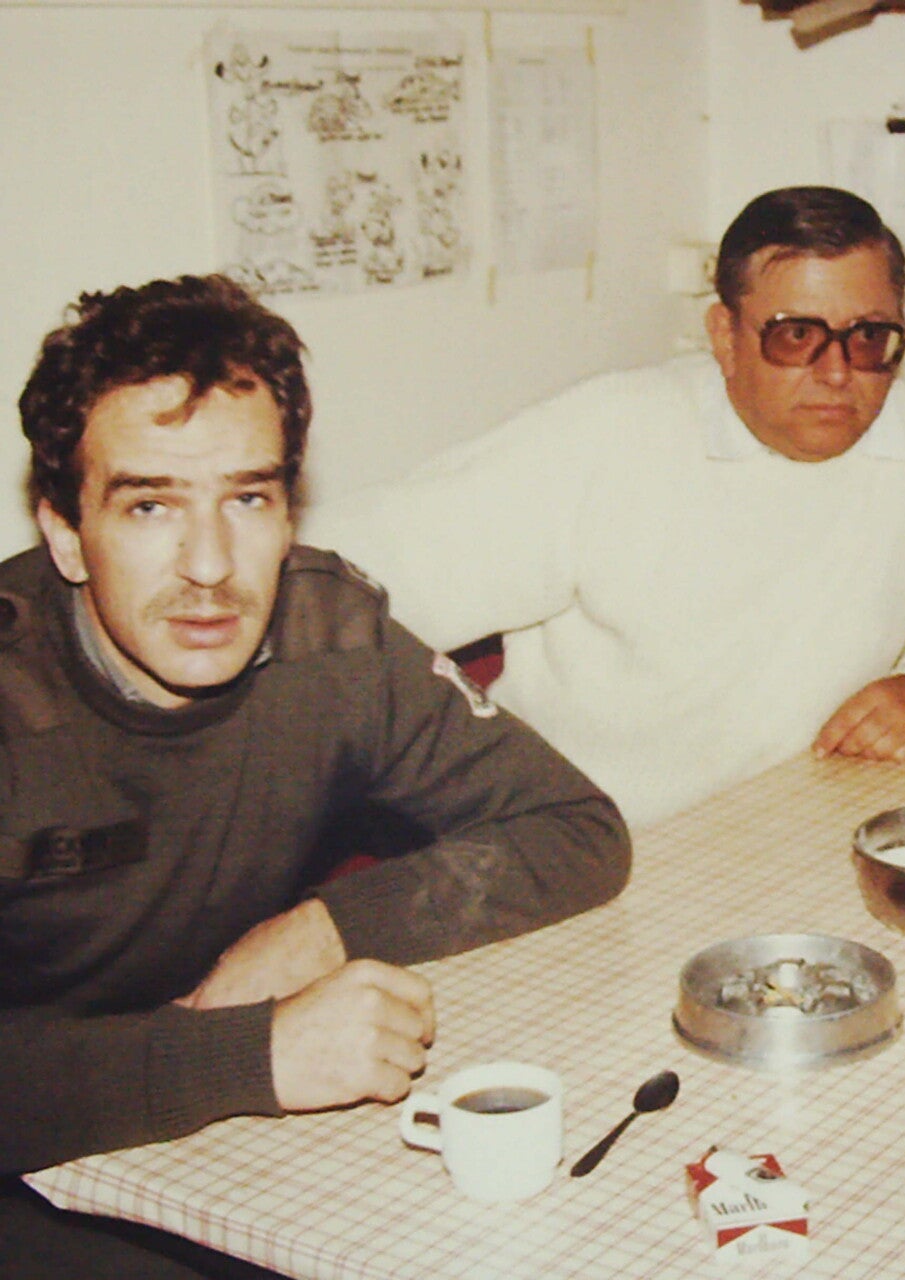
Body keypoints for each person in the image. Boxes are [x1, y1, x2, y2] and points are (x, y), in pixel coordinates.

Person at [0, 275, 631, 1277]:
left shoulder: (328, 634)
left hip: (208, 1137)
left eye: (248, 499)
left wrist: (324, 928)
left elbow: (574, 828)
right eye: (151, 505)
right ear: (66, 534)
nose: (211, 566)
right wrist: (250, 1055)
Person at [301, 186, 905, 829]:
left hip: (800, 818)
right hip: (589, 838)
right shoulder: (611, 434)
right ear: (725, 336)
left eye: (869, 337)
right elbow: (341, 580)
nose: (837, 372)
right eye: (796, 336)